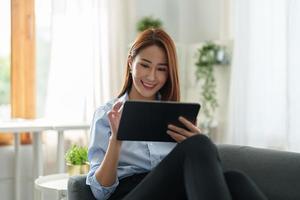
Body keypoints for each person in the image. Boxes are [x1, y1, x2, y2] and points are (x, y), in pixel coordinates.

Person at [86, 28, 267, 200]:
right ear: (130, 63)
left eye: (161, 69)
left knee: (235, 180)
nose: (151, 76)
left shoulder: (175, 116)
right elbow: (100, 192)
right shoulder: (107, 114)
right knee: (201, 145)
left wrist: (195, 145)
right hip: (129, 194)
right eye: (145, 65)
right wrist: (116, 141)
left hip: (171, 192)